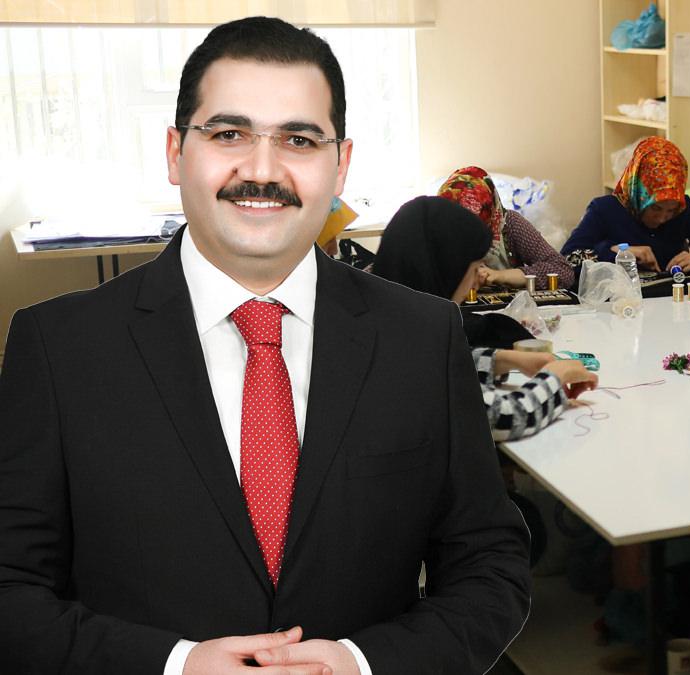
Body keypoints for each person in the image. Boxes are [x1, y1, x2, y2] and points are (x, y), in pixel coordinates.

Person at [0, 17, 530, 675]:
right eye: (229, 133)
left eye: (299, 139)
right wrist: (173, 665)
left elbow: (490, 564)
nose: (261, 170)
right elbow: (11, 591)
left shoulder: (422, 336)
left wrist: (363, 662)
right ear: (175, 151)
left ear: (341, 164)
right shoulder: (58, 348)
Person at [372, 196, 597, 439]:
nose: (478, 280)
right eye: (474, 268)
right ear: (447, 270)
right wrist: (555, 377)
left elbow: (448, 366)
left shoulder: (392, 318)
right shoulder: (406, 348)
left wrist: (504, 359)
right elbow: (505, 415)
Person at [560, 136, 690, 277]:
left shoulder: (683, 210)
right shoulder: (605, 209)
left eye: (670, 210)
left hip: (670, 302)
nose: (662, 218)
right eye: (655, 208)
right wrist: (616, 252)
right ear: (639, 194)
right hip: (618, 305)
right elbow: (567, 259)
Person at [437, 165, 575, 290]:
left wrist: (499, 276)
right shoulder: (436, 229)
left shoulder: (509, 224)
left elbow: (562, 271)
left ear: (492, 214)